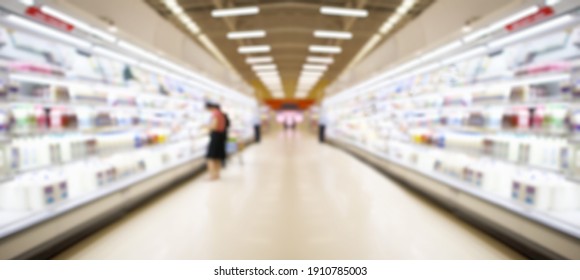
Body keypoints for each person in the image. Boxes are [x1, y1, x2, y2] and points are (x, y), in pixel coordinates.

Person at [205, 102, 227, 180]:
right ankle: (217, 174)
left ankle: (211, 175)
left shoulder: (215, 114)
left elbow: (214, 126)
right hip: (221, 136)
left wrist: (207, 127)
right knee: (218, 156)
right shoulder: (221, 114)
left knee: (210, 157)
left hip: (215, 136)